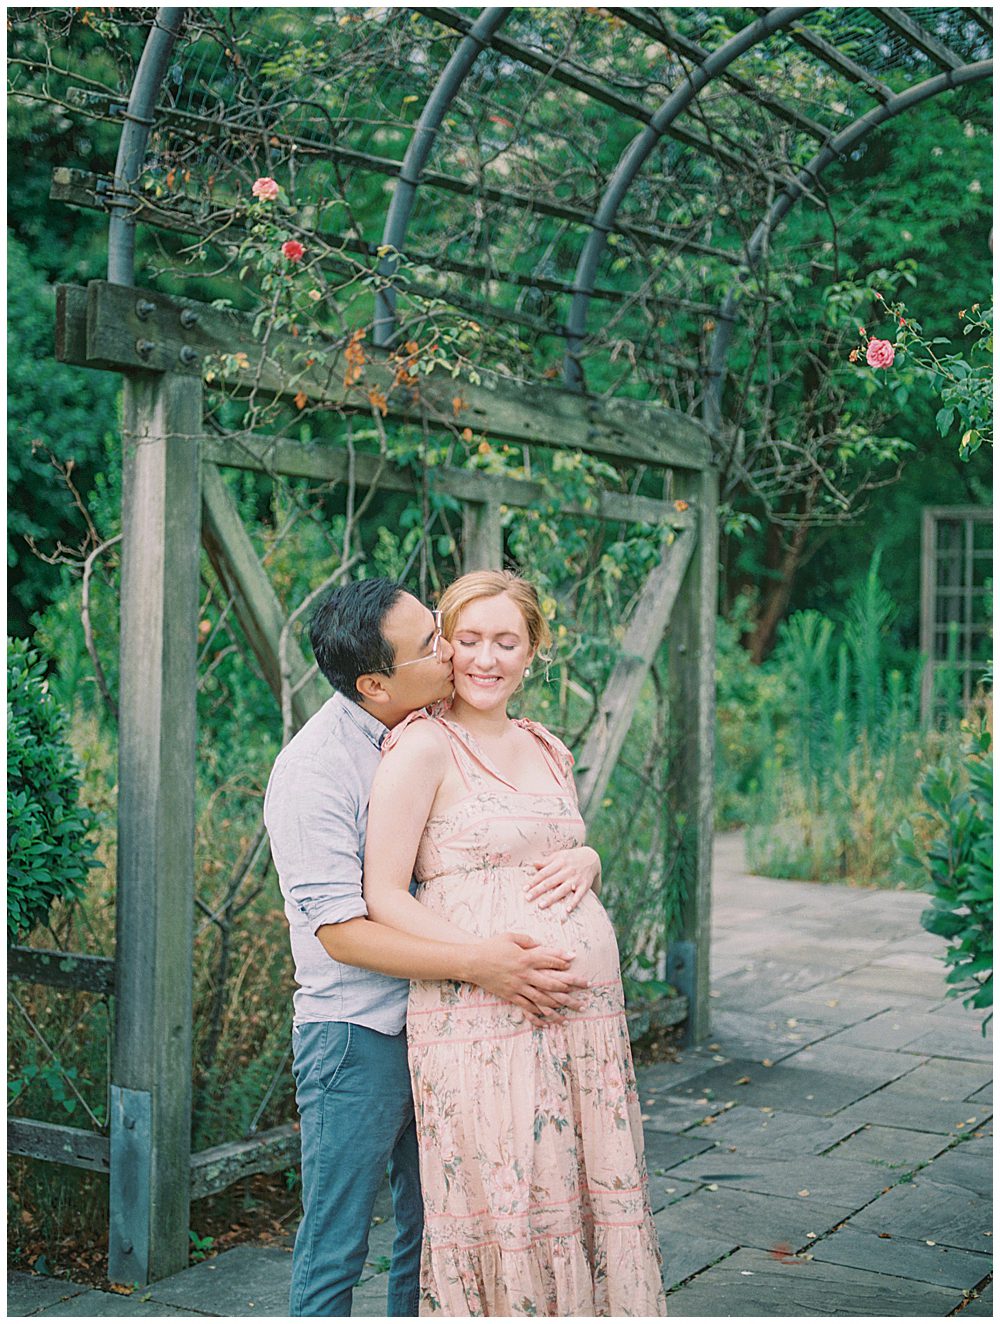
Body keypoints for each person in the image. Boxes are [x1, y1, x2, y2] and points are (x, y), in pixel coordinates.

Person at [263, 578, 594, 1317]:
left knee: (436, 1231)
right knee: (337, 1244)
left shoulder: (434, 725)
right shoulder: (312, 773)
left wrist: (586, 858)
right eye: (432, 645)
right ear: (375, 682)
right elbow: (343, 934)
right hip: (359, 1035)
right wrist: (482, 962)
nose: (451, 652)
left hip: (449, 1023)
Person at [363, 570, 666, 1317]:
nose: (486, 659)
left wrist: (590, 858)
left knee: (579, 1199)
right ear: (444, 645)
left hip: (583, 1031)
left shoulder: (547, 746)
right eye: (468, 641)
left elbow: (555, 847)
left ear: (534, 650)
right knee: (512, 1208)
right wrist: (484, 960)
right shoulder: (423, 747)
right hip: (482, 1019)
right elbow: (383, 895)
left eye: (507, 641)